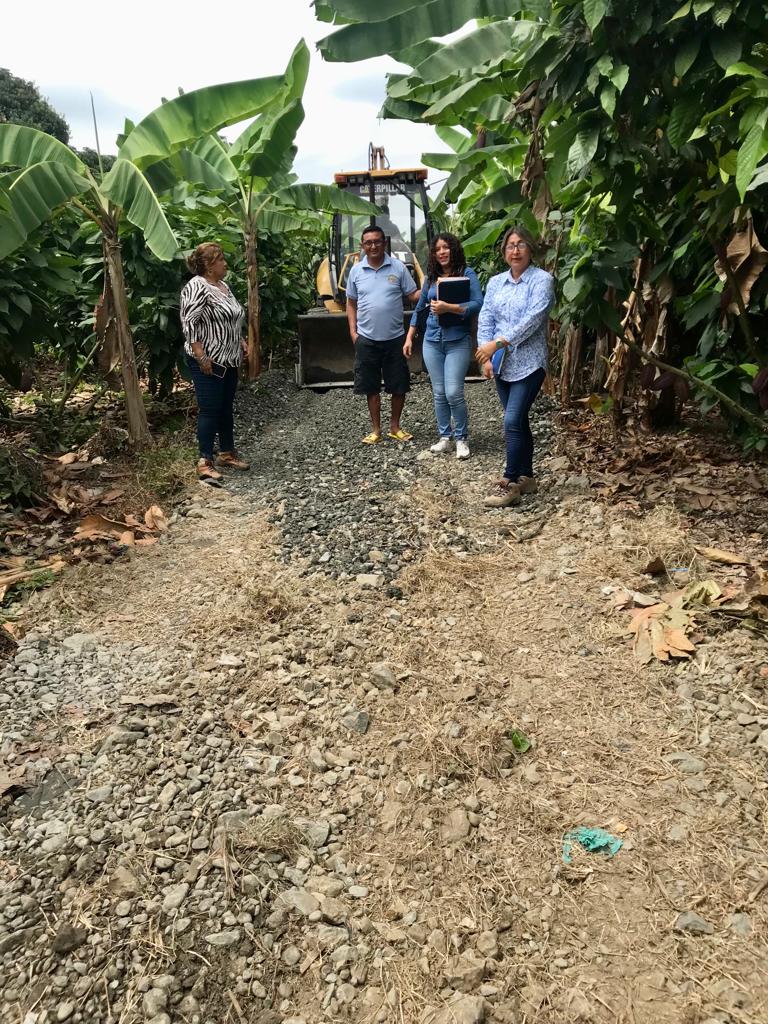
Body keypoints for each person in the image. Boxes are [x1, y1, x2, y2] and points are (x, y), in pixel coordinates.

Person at [475, 225, 555, 507]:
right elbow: (486, 318)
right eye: (511, 245)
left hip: (530, 362)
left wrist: (497, 344)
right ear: (504, 252)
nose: (516, 250)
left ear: (530, 249)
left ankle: (509, 482)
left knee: (510, 420)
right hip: (502, 364)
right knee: (518, 421)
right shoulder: (496, 282)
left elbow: (533, 320)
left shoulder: (542, 280)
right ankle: (527, 477)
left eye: (521, 244)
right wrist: (486, 355)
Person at [403, 233, 483, 459]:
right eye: (437, 249)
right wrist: (409, 337)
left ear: (453, 249)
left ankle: (462, 438)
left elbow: (478, 303)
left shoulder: (467, 274)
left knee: (453, 392)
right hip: (432, 341)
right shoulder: (431, 278)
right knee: (439, 392)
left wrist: (450, 308)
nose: (441, 252)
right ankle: (445, 437)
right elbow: (420, 308)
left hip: (457, 340)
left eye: (446, 247)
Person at [180, 242, 249, 485]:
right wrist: (201, 355)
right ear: (209, 266)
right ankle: (204, 462)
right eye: (220, 260)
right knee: (209, 409)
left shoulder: (223, 286)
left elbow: (231, 318)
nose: (225, 264)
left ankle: (227, 453)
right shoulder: (197, 286)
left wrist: (240, 340)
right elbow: (190, 323)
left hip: (229, 359)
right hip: (209, 360)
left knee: (225, 407)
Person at [346, 224, 421, 444]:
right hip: (366, 338)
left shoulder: (398, 268)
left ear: (384, 243)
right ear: (362, 246)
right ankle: (376, 430)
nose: (373, 246)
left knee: (398, 384)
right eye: (368, 243)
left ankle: (395, 427)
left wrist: (432, 287)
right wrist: (353, 332)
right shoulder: (356, 271)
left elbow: (412, 295)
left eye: (377, 241)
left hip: (395, 338)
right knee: (371, 386)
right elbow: (351, 302)